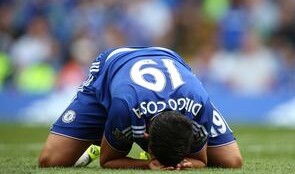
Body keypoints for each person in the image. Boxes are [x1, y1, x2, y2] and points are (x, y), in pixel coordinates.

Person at [38, 46, 242, 170]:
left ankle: (120, 137)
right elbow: (107, 161)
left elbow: (201, 160)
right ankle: (99, 139)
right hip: (112, 66)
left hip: (169, 60)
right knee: (50, 160)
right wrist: (146, 164)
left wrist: (182, 164)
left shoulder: (199, 105)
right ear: (144, 136)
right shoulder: (124, 106)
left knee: (232, 161)